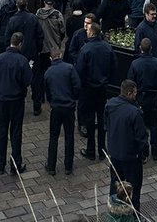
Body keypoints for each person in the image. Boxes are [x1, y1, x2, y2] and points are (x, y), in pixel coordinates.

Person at [0, 31, 32, 174]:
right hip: (17, 100)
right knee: (16, 132)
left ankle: (0, 164)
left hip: (3, 100)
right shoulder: (22, 61)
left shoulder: (0, 59)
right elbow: (27, 80)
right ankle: (15, 164)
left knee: (1, 131)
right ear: (20, 44)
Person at [104, 78, 148, 214]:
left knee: (115, 184)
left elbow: (107, 125)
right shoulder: (134, 112)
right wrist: (144, 153)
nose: (136, 95)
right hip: (131, 158)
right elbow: (141, 137)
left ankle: (114, 211)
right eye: (135, 93)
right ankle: (134, 214)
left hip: (115, 154)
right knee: (133, 187)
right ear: (129, 93)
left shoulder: (110, 105)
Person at [77, 21, 112, 161]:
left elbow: (80, 70)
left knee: (90, 120)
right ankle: (102, 150)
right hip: (103, 88)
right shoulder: (107, 48)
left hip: (89, 89)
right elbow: (114, 66)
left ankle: (91, 150)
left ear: (91, 33)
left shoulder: (86, 49)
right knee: (102, 118)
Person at [128, 37, 157, 161]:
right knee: (155, 125)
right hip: (153, 98)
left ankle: (143, 153)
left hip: (140, 98)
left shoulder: (135, 64)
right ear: (151, 48)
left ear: (140, 48)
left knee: (142, 126)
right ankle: (155, 151)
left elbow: (131, 82)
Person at [44, 46, 81, 175]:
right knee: (69, 136)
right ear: (60, 55)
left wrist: (51, 102)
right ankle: (68, 166)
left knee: (53, 137)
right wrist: (73, 98)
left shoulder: (48, 72)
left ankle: (51, 166)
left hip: (56, 108)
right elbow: (77, 86)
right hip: (69, 107)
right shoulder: (70, 68)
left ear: (51, 58)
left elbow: (47, 92)